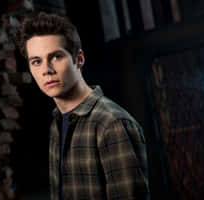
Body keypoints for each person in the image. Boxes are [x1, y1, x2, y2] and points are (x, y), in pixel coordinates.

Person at [17, 12, 150, 200]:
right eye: (36, 61)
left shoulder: (112, 124)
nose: (46, 70)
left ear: (79, 59)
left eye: (56, 57)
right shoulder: (57, 122)